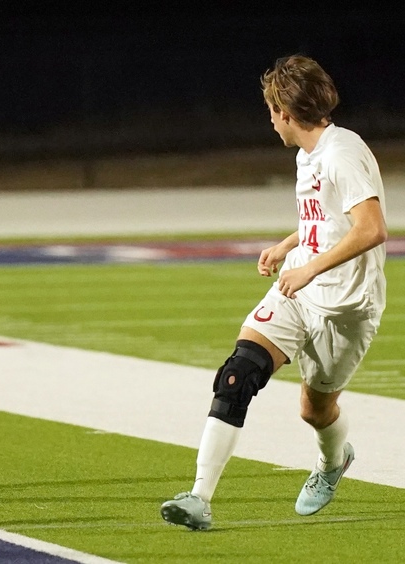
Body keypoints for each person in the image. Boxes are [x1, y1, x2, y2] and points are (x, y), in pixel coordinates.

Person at [160, 54, 387, 530]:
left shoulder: (341, 153)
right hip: (298, 291)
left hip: (346, 308)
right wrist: (289, 246)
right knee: (237, 374)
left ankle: (332, 463)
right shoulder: (308, 153)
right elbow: (325, 221)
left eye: (270, 111)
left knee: (315, 409)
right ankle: (199, 498)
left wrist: (311, 269)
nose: (269, 121)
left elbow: (371, 229)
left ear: (285, 111)